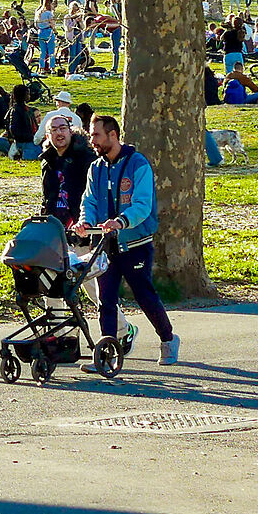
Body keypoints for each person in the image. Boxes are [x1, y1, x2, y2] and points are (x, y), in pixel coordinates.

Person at [75, 114, 177, 365]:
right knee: (106, 301)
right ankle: (108, 354)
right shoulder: (95, 167)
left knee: (145, 296)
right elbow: (89, 200)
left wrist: (120, 222)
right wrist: (85, 221)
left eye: (96, 134)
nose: (92, 140)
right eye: (91, 135)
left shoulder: (138, 164)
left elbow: (142, 205)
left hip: (135, 246)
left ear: (113, 135)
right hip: (105, 247)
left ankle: (168, 339)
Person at [37, 113, 94, 227]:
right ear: (48, 136)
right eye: (53, 130)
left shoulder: (86, 158)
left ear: (70, 132)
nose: (59, 133)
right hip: (55, 224)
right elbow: (47, 197)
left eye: (63, 128)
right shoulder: (47, 161)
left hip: (81, 222)